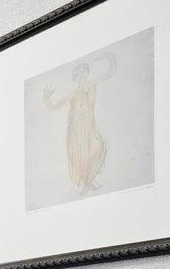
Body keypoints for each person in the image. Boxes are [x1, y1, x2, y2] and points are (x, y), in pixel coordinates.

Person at [43, 53, 117, 196]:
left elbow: (110, 72)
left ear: (87, 73)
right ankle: (86, 184)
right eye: (77, 74)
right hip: (76, 129)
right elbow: (53, 107)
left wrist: (110, 57)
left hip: (90, 126)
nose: (81, 75)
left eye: (83, 72)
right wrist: (46, 97)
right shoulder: (73, 93)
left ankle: (89, 181)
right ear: (75, 78)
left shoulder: (93, 84)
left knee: (98, 148)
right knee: (82, 155)